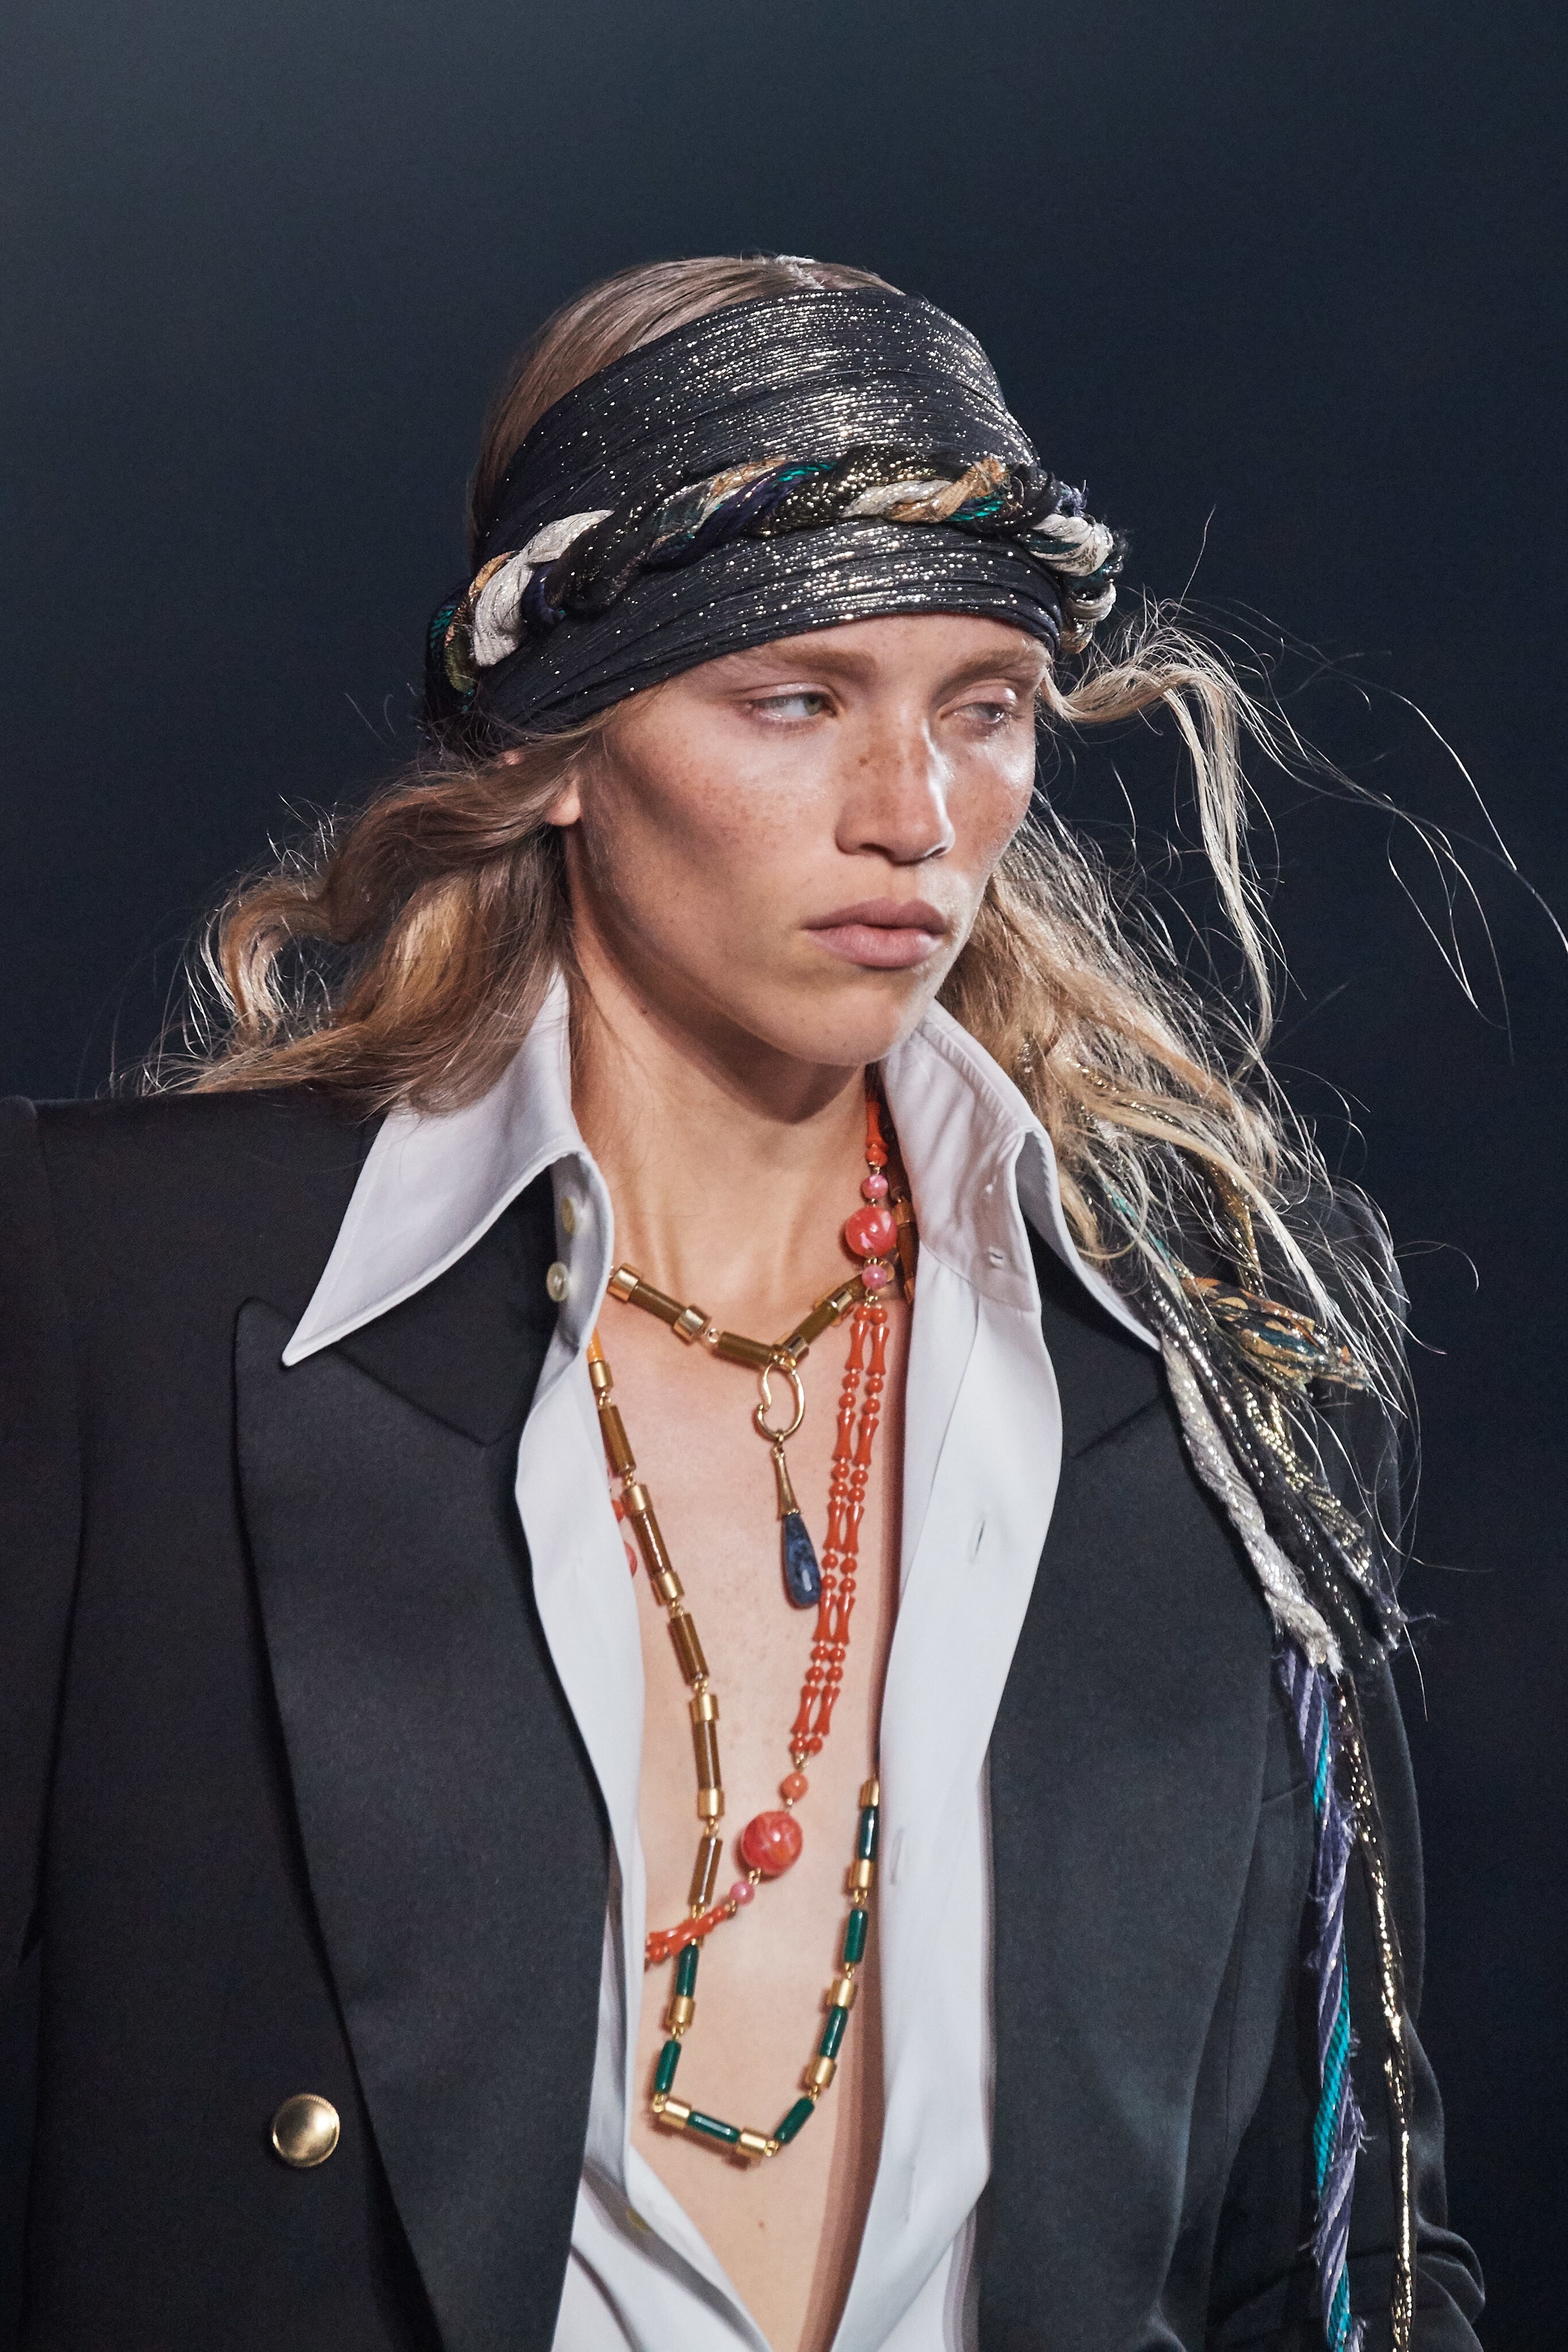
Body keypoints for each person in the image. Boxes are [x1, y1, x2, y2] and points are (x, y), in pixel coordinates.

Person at [0, 253, 1484, 2352]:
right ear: (557, 743)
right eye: (796, 699)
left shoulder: (1220, 1355)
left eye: (982, 707)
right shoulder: (118, 1295)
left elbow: (1341, 2235)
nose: (914, 817)